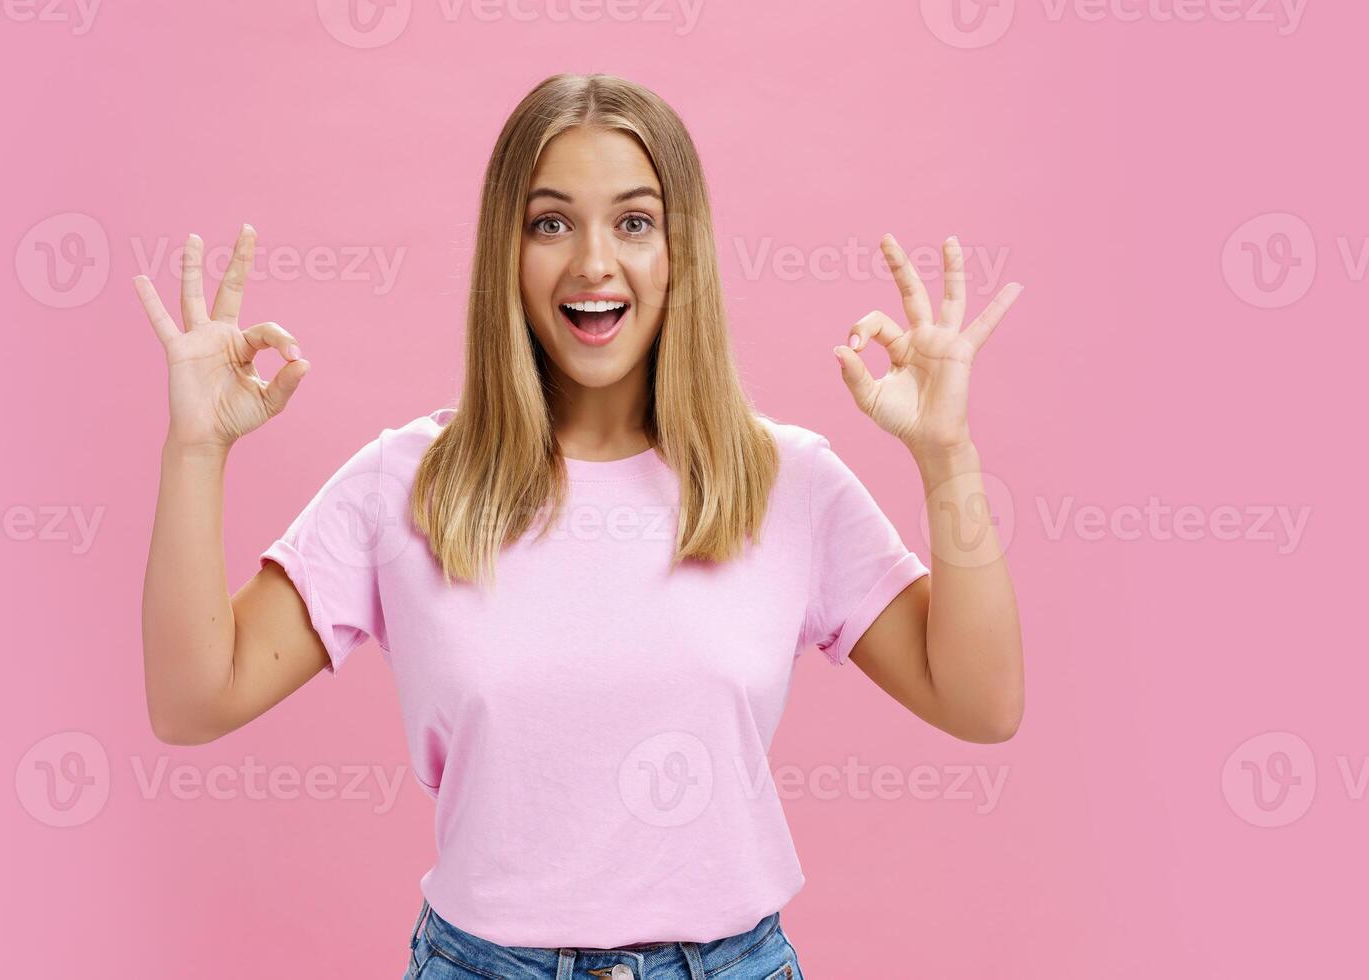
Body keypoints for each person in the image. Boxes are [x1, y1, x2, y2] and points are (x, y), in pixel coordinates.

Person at [131, 73, 1025, 980]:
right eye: (550, 222)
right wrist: (196, 451)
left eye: (634, 222)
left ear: (681, 250)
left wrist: (946, 455)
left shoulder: (783, 481)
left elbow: (981, 703)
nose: (593, 262)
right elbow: (194, 700)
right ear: (505, 253)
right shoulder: (407, 483)